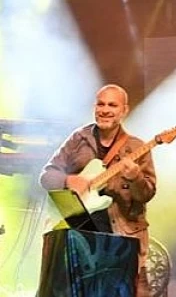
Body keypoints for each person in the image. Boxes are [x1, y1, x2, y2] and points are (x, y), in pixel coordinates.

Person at [39, 84, 156, 297]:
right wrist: (68, 180)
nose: (105, 110)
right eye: (101, 104)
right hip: (77, 237)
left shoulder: (137, 147)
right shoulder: (79, 139)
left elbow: (146, 194)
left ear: (124, 110)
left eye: (112, 105)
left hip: (120, 240)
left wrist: (136, 177)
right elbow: (46, 176)